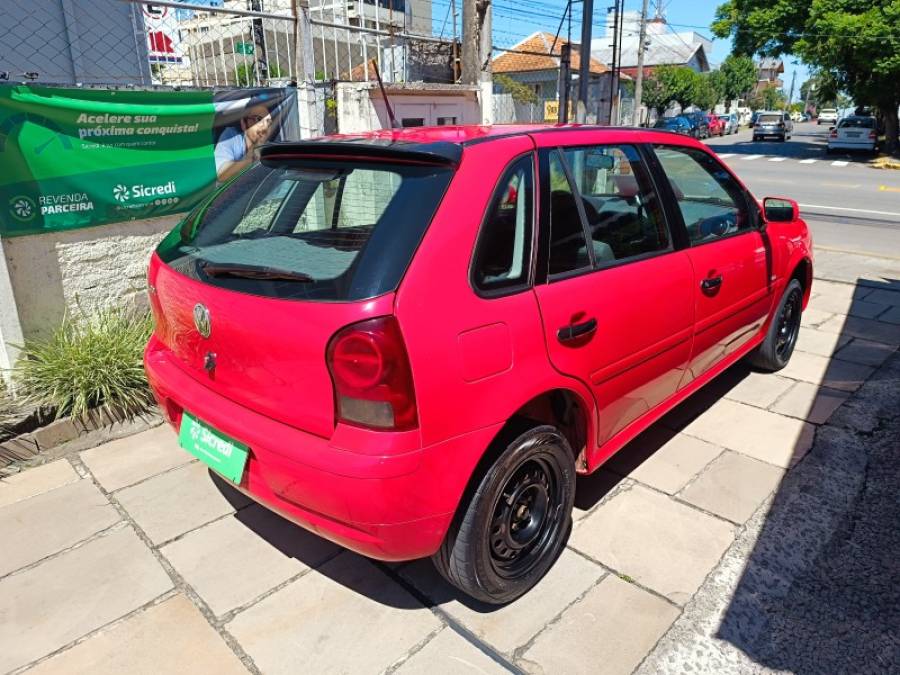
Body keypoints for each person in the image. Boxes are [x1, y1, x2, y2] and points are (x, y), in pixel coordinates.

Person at [214, 103, 278, 182]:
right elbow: (221, 174)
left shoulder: (271, 148)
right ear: (243, 123)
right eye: (259, 119)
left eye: (268, 122)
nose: (265, 127)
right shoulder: (231, 136)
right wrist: (251, 159)